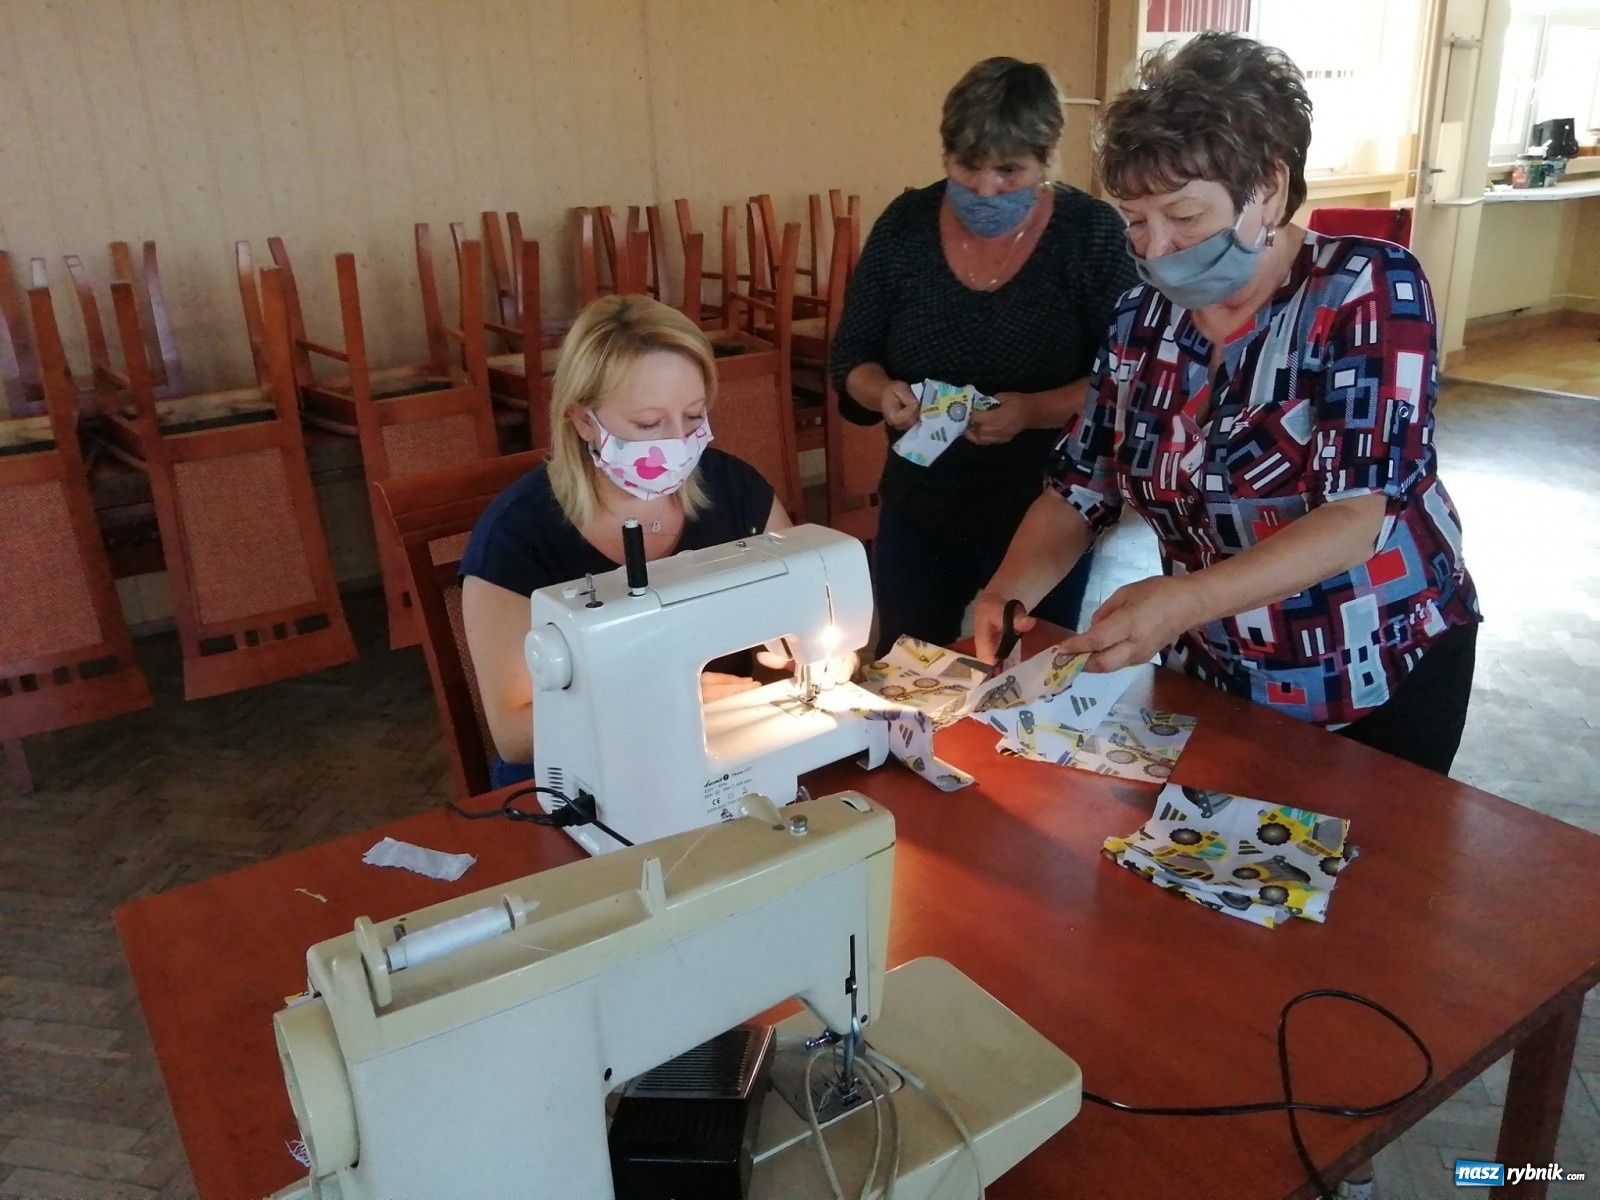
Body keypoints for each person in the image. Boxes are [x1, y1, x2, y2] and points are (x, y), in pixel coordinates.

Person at [976, 31, 1481, 789]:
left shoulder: (1366, 290)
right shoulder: (1142, 320)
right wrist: (1008, 589)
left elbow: (1356, 515)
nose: (1157, 248)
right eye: (1135, 220)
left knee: (1366, 858)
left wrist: (1184, 600)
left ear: (1267, 189)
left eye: (1184, 216)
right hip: (1218, 673)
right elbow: (1080, 487)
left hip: (1373, 669)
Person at [830, 55, 1137, 656]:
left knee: (1029, 667)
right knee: (906, 664)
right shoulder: (905, 227)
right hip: (921, 504)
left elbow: (1125, 379)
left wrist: (1032, 411)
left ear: (1047, 161)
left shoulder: (1090, 236)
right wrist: (882, 392)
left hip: (1048, 509)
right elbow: (852, 359)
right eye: (968, 167)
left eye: (1009, 170)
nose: (986, 188)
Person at [461, 294, 791, 790]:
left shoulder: (738, 493)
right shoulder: (515, 537)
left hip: (717, 754)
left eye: (694, 415)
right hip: (577, 779)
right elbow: (515, 734)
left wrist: (820, 652)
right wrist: (666, 703)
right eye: (650, 424)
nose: (679, 442)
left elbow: (806, 601)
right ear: (582, 421)